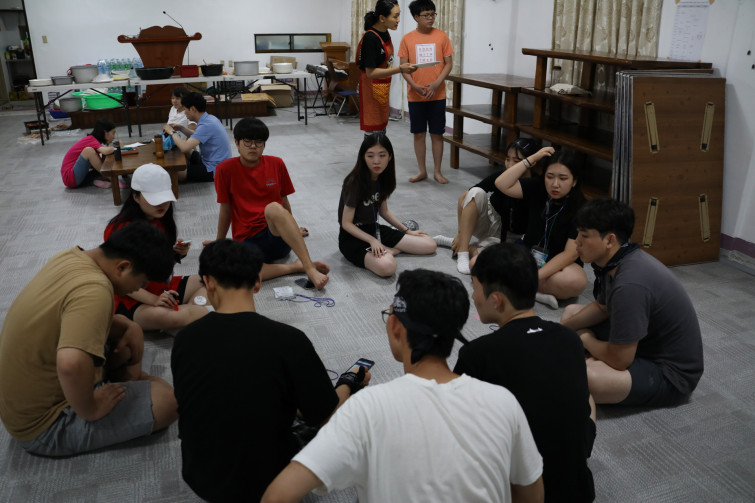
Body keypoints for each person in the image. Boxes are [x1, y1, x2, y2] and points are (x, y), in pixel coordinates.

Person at [262, 269, 544, 503]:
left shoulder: (367, 409)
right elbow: (531, 494)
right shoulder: (503, 402)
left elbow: (278, 495)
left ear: (396, 326)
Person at [172, 239, 369, 502]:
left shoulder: (185, 339)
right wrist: (350, 382)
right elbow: (325, 417)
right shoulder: (289, 341)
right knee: (331, 425)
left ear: (207, 283)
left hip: (200, 477)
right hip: (268, 484)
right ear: (257, 282)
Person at [0, 221, 178, 457]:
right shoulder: (96, 290)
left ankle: (123, 380)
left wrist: (131, 326)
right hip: (44, 425)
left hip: (23, 399)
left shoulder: (72, 257)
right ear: (123, 267)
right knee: (168, 401)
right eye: (142, 283)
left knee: (126, 327)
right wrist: (91, 408)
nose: (139, 289)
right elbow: (70, 364)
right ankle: (114, 387)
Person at [454, 243, 595, 502]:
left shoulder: (477, 354)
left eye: (475, 288)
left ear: (496, 300)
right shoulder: (569, 339)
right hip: (578, 491)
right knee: (588, 399)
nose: (473, 297)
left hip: (520, 491)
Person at [560, 197, 704, 407]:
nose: (577, 242)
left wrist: (585, 339)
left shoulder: (629, 284)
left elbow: (620, 360)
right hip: (644, 343)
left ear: (610, 241)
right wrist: (562, 328)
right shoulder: (617, 260)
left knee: (590, 377)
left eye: (584, 235)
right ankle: (590, 355)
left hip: (671, 374)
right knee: (571, 313)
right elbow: (602, 307)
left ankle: (590, 357)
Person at [211, 117, 330, 289]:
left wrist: (293, 231)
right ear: (236, 143)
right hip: (248, 239)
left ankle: (309, 267)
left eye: (259, 142)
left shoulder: (276, 163)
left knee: (274, 207)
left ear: (264, 145)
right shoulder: (224, 170)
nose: (253, 146)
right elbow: (225, 209)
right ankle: (295, 267)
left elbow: (284, 202)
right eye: (247, 141)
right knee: (239, 273)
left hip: (277, 237)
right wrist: (219, 244)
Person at [104, 164, 210, 333]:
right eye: (154, 199)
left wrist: (175, 255)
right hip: (132, 298)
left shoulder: (161, 221)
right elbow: (119, 280)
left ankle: (187, 319)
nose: (162, 204)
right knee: (176, 314)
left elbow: (160, 270)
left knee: (214, 281)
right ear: (136, 197)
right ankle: (191, 317)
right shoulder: (120, 230)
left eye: (165, 198)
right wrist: (153, 300)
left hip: (161, 288)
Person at [495, 146, 588, 309]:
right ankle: (535, 292)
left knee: (576, 281)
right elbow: (501, 183)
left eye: (563, 178)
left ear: (574, 181)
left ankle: (522, 285)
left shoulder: (582, 207)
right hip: (529, 256)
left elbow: (570, 254)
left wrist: (535, 277)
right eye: (550, 177)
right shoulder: (537, 188)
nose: (555, 184)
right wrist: (533, 158)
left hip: (560, 267)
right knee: (478, 263)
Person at [434, 137, 541, 273]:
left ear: (531, 162)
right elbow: (464, 197)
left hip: (510, 236)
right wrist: (460, 233)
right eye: (507, 159)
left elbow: (534, 225)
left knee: (493, 262)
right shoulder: (502, 175)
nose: (510, 165)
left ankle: (467, 246)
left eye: (517, 161)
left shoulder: (536, 184)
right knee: (476, 193)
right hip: (489, 221)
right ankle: (463, 250)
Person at [339, 133, 437, 277]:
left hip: (374, 229)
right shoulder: (354, 183)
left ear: (390, 157)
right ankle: (387, 251)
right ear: (363, 157)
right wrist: (372, 241)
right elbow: (346, 223)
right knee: (387, 267)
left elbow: (384, 211)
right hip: (352, 238)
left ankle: (388, 249)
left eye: (382, 155)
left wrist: (407, 231)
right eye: (370, 156)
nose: (376, 161)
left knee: (430, 245)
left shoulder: (382, 178)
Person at [398, 0, 454, 184]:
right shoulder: (407, 39)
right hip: (416, 95)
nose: (431, 18)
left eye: (433, 14)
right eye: (426, 15)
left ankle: (437, 171)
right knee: (419, 134)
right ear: (416, 17)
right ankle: (422, 171)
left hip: (437, 95)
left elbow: (448, 64)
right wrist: (414, 86)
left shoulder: (441, 36)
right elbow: (403, 67)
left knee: (437, 134)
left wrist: (437, 83)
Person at [357, 0, 417, 135]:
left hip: (381, 87)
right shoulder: (371, 38)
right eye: (395, 16)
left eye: (399, 15)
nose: (398, 20)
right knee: (373, 134)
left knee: (381, 130)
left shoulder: (385, 33)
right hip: (370, 89)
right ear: (382, 18)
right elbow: (370, 73)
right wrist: (400, 69)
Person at [162, 92, 232, 183]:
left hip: (215, 168)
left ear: (192, 109)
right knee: (186, 151)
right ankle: (189, 168)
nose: (185, 113)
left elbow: (184, 147)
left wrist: (172, 132)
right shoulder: (209, 118)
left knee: (174, 174)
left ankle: (188, 170)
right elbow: (197, 135)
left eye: (185, 109)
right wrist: (181, 128)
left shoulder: (206, 125)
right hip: (208, 160)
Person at [60, 118, 125, 189]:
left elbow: (101, 163)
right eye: (113, 133)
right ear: (106, 133)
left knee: (104, 165)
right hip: (70, 177)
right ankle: (114, 180)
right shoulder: (90, 140)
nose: (114, 137)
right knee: (88, 151)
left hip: (75, 177)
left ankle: (93, 181)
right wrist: (116, 146)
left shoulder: (94, 142)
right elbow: (105, 151)